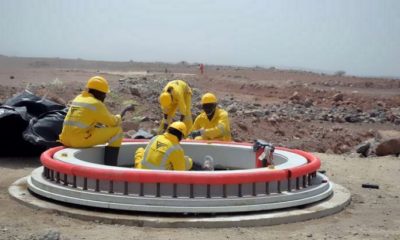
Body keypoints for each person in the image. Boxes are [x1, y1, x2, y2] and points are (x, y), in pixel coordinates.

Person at [59, 76, 123, 166]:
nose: (105, 97)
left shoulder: (78, 98)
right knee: (117, 131)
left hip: (65, 139)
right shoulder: (96, 104)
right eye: (104, 94)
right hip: (78, 140)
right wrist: (120, 115)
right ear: (99, 93)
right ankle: (111, 166)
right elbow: (113, 122)